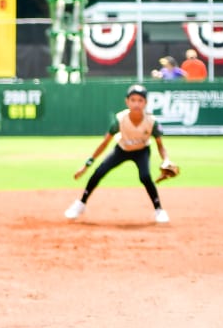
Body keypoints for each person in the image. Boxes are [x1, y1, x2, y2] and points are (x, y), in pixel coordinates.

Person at [64, 84, 172, 224]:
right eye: (133, 100)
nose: (136, 104)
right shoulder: (120, 120)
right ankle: (81, 204)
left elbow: (160, 146)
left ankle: (159, 210)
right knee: (99, 172)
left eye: (140, 100)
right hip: (122, 150)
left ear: (145, 102)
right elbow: (104, 143)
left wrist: (166, 160)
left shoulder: (151, 122)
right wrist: (87, 165)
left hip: (141, 151)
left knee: (145, 177)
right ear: (127, 101)